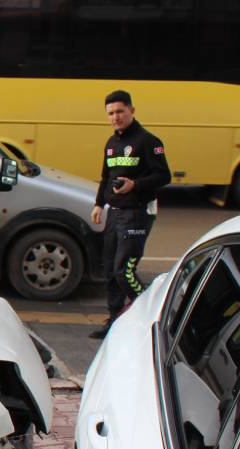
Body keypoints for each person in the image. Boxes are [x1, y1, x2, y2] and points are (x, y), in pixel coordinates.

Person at [89, 90, 170, 340]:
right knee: (111, 270)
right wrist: (99, 204)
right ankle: (114, 321)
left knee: (125, 271)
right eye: (111, 113)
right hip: (114, 214)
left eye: (120, 111)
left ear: (132, 111)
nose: (116, 117)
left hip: (137, 214)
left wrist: (135, 185)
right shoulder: (112, 143)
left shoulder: (148, 141)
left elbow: (163, 176)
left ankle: (148, 315)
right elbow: (106, 178)